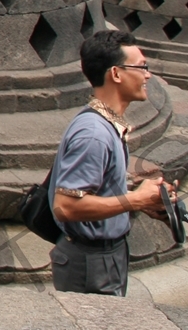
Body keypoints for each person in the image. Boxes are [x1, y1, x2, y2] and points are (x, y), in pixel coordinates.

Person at [49, 30, 175, 296]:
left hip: (104, 258)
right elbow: (67, 206)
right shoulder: (93, 134)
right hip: (90, 264)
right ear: (116, 74)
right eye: (141, 67)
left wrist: (145, 200)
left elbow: (91, 193)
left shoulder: (105, 125)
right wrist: (135, 201)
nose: (148, 75)